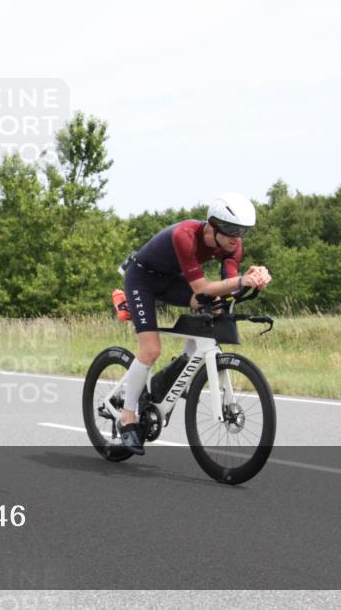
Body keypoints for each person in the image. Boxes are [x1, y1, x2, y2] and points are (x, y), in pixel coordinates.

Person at [117, 192, 272, 454]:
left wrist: (253, 278)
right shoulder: (185, 235)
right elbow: (201, 286)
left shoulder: (233, 245)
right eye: (232, 229)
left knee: (212, 307)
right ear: (212, 224)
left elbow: (226, 289)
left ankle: (175, 374)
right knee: (151, 350)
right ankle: (127, 417)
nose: (237, 237)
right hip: (142, 279)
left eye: (243, 231)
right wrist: (240, 281)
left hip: (171, 280)